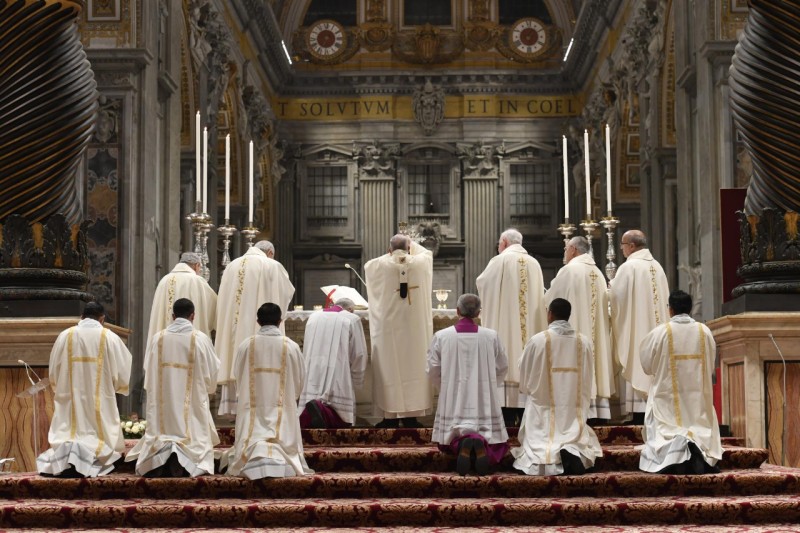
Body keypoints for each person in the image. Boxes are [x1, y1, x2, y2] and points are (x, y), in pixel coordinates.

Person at [126, 298, 220, 477]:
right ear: (193, 316)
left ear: (173, 315)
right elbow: (212, 372)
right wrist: (207, 389)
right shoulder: (201, 340)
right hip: (191, 402)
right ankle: (186, 460)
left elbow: (149, 368)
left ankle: (161, 456)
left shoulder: (158, 338)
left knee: (162, 425)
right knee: (193, 427)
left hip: (164, 403)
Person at [37, 302, 132, 478]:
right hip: (100, 399)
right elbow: (123, 370)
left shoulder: (66, 336)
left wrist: (60, 387)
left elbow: (54, 369)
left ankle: (68, 458)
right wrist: (116, 385)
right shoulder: (109, 337)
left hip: (70, 398)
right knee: (99, 432)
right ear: (102, 318)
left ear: (82, 316)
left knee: (70, 430)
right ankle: (95, 458)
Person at [512, 298, 602, 476]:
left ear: (550, 314)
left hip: (543, 407)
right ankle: (571, 449)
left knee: (541, 440)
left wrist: (529, 389)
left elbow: (524, 370)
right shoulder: (583, 342)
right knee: (574, 431)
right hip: (572, 409)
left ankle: (552, 453)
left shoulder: (538, 341)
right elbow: (587, 375)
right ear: (569, 316)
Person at [638, 290, 722, 474]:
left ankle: (675, 454)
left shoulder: (660, 333)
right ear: (690, 309)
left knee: (663, 419)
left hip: (667, 400)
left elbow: (646, 366)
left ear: (670, 310)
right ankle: (697, 449)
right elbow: (710, 362)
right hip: (697, 401)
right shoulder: (704, 331)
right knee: (698, 422)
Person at [226, 303, 312, 479]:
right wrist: (290, 396)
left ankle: (252, 457)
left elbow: (238, 376)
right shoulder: (291, 347)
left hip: (252, 409)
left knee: (252, 430)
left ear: (258, 321)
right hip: (282, 408)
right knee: (282, 428)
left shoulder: (246, 345)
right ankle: (280, 460)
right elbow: (300, 380)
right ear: (280, 321)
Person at [427, 293, 509, 476]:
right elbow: (503, 366)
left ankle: (463, 443)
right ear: (479, 313)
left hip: (453, 395)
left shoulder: (442, 336)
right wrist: (489, 384)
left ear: (457, 311)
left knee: (450, 432)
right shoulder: (491, 336)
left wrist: (445, 387)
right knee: (490, 432)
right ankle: (478, 442)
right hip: (483, 396)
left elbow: (432, 368)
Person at [215, 240, 295, 416]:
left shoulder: (231, 266)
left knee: (235, 355)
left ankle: (232, 409)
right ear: (270, 253)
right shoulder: (270, 265)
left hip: (233, 331)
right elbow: (284, 295)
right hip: (260, 332)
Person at [476, 228, 546, 426]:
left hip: (505, 327)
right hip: (530, 329)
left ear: (505, 242)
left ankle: (506, 416)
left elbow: (482, 284)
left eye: (499, 243)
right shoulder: (534, 263)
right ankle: (526, 418)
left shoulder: (499, 261)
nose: (498, 247)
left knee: (505, 358)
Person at [365, 234, 433, 428]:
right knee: (414, 366)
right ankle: (412, 417)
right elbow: (425, 252)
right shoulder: (422, 262)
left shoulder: (376, 265)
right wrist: (411, 244)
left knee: (390, 368)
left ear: (389, 249)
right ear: (409, 247)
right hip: (415, 333)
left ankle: (389, 416)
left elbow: (370, 265)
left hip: (389, 332)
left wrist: (394, 252)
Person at [545, 236, 615, 420]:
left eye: (566, 249)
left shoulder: (569, 270)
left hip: (572, 333)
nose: (565, 253)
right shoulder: (597, 272)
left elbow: (553, 300)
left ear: (574, 249)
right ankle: (599, 412)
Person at [609, 229, 670, 422]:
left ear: (632, 246)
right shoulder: (658, 267)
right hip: (658, 330)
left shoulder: (629, 267)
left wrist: (607, 291)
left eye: (623, 245)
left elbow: (617, 299)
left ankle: (637, 412)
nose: (621, 249)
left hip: (638, 329)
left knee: (636, 357)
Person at [299, 298, 368, 428]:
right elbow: (359, 353)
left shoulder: (313, 317)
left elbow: (306, 347)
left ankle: (312, 414)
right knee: (339, 410)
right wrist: (357, 379)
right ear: (351, 309)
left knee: (312, 399)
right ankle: (324, 414)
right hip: (339, 370)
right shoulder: (351, 319)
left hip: (313, 369)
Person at [146, 252, 217, 350]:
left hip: (163, 343)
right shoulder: (197, 281)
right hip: (190, 344)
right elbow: (215, 309)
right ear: (197, 265)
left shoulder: (164, 281)